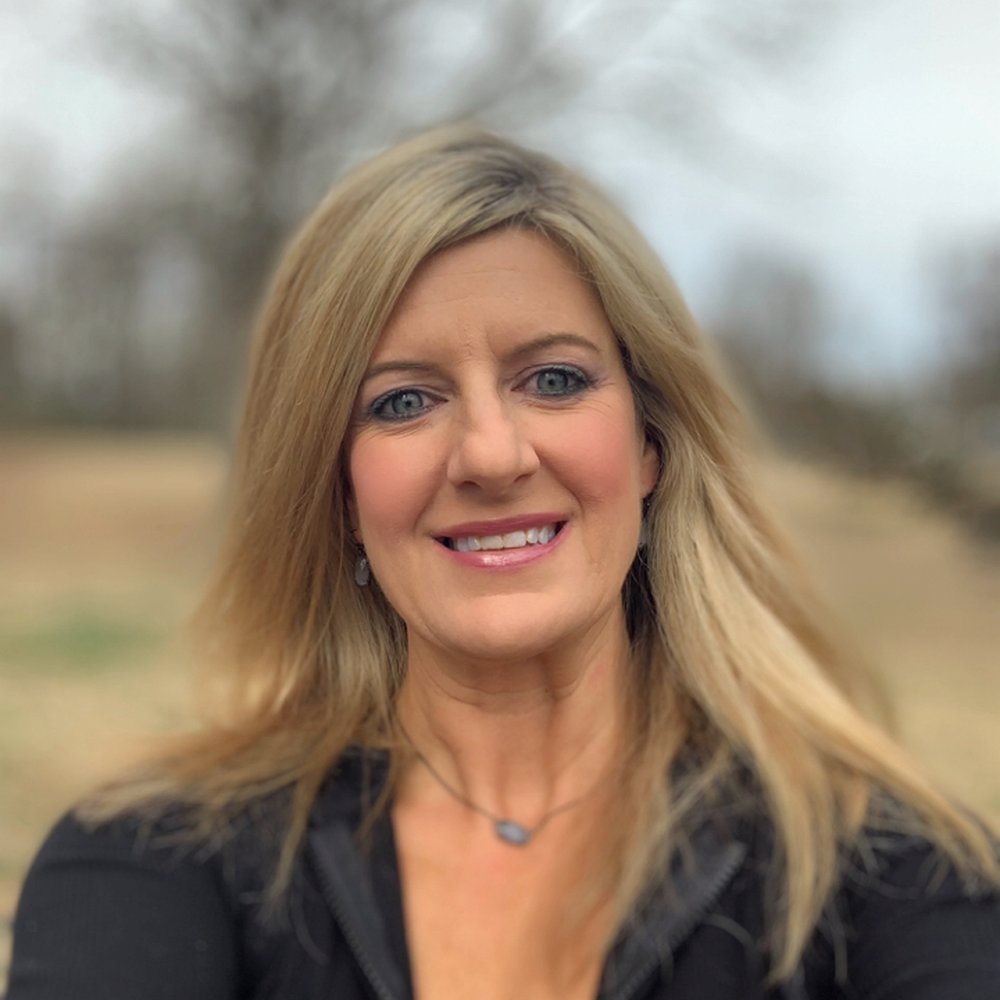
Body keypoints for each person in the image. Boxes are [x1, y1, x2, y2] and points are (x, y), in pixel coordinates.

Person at [8, 127, 1000, 1000]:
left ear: (650, 445)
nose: (490, 454)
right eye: (403, 401)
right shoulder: (155, 866)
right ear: (340, 491)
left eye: (554, 379)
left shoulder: (891, 872)